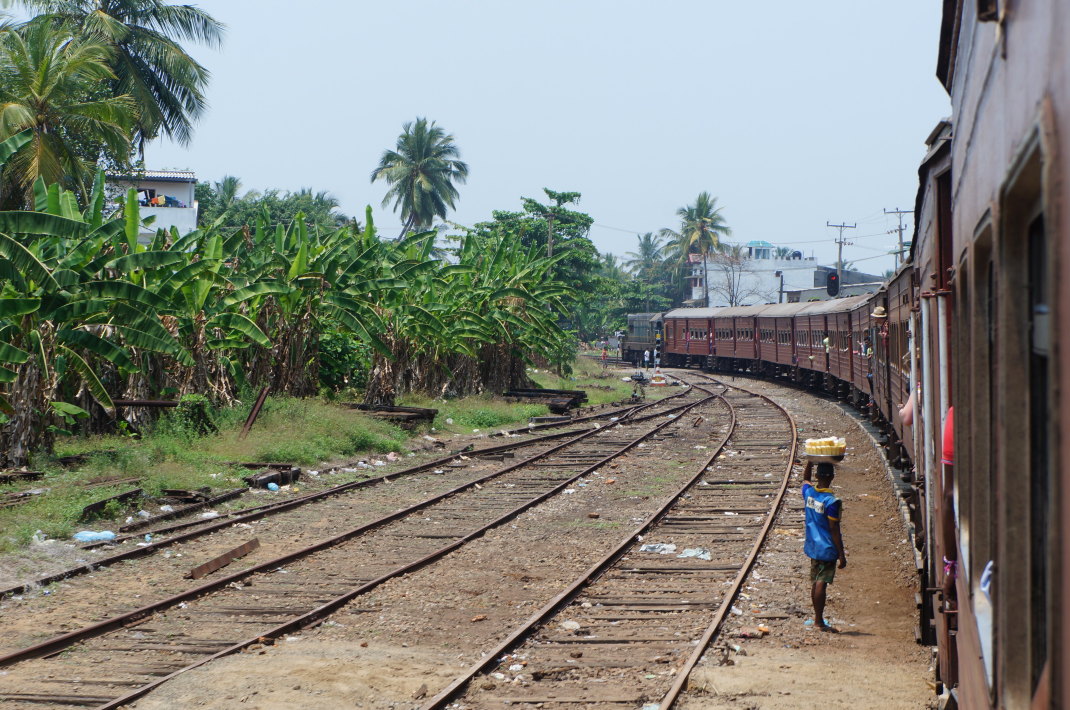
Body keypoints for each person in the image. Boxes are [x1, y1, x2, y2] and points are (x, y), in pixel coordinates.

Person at [802, 461, 847, 631]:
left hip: (812, 545)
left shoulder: (809, 494)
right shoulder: (832, 501)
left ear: (817, 476)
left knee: (815, 580)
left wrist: (809, 463)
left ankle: (817, 618)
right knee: (821, 582)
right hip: (827, 548)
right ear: (832, 478)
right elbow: (834, 529)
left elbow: (805, 481)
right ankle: (819, 621)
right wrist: (841, 554)